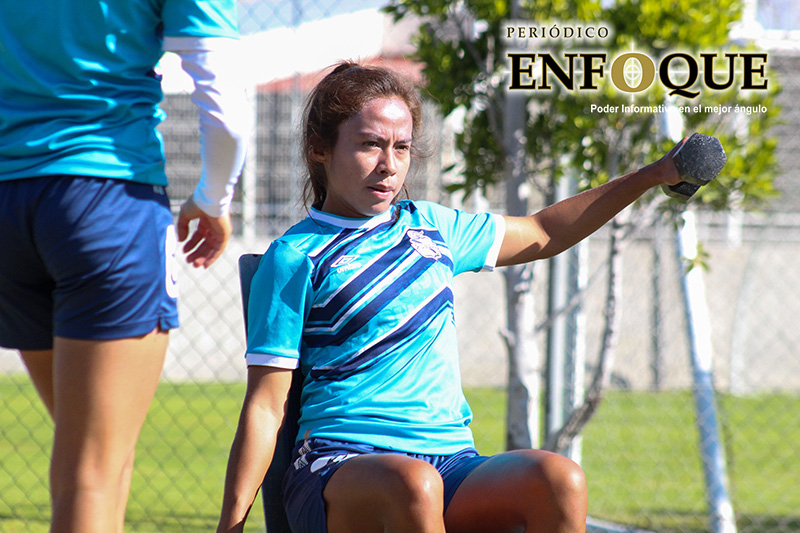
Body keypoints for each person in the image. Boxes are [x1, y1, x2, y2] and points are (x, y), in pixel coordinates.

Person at [217, 61, 683, 533]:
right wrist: (231, 524)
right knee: (415, 485)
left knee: (560, 478)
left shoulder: (434, 226)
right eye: (369, 145)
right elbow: (265, 404)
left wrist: (651, 176)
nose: (389, 165)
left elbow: (545, 231)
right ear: (320, 149)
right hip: (337, 467)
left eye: (401, 147)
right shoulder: (295, 256)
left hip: (451, 463)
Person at [0, 1, 249, 531]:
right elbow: (225, 97)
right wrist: (213, 198)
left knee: (94, 461)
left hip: (7, 205)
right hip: (106, 200)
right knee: (93, 470)